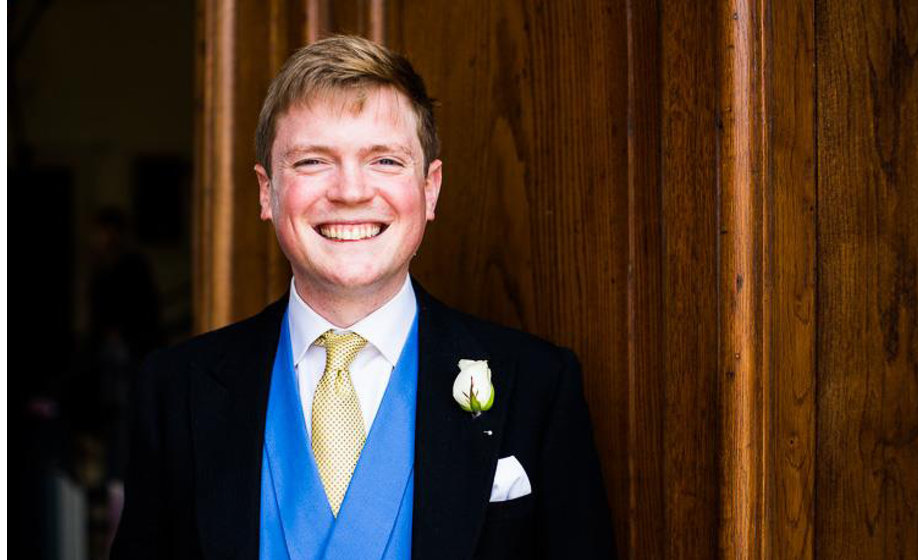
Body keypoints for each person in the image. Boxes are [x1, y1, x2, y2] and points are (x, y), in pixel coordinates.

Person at [111, 35, 614, 560]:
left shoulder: (538, 385)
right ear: (267, 192)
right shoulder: (174, 391)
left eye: (385, 162)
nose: (350, 191)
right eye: (312, 162)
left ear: (431, 188)